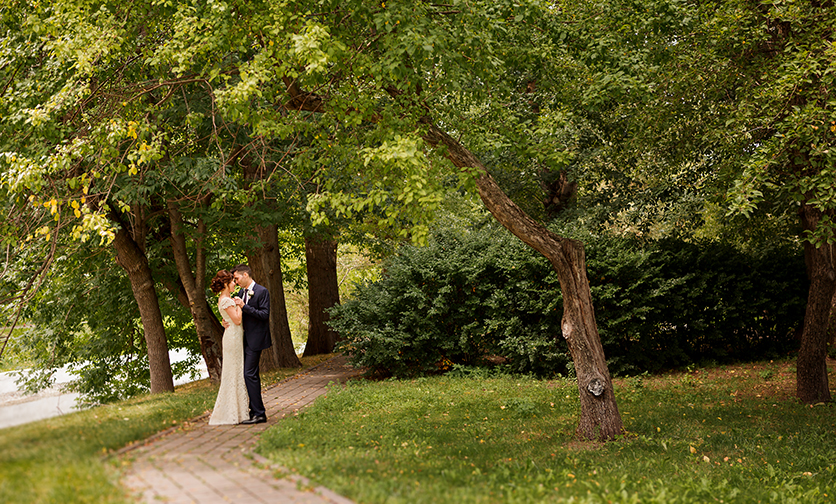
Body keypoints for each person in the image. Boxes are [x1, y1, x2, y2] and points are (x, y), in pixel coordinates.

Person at [208, 270, 250, 425]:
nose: (235, 284)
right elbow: (237, 320)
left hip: (234, 336)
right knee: (233, 373)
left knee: (236, 372)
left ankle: (238, 411)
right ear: (226, 283)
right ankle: (230, 412)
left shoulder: (226, 299)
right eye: (233, 281)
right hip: (232, 338)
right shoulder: (226, 300)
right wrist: (240, 305)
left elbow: (230, 320)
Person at [231, 264, 272, 424]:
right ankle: (254, 410)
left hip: (256, 339)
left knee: (249, 374)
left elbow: (264, 314)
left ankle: (259, 413)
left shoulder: (262, 291)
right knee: (250, 374)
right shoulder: (241, 292)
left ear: (246, 275)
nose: (236, 281)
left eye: (237, 278)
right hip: (244, 339)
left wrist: (245, 307)